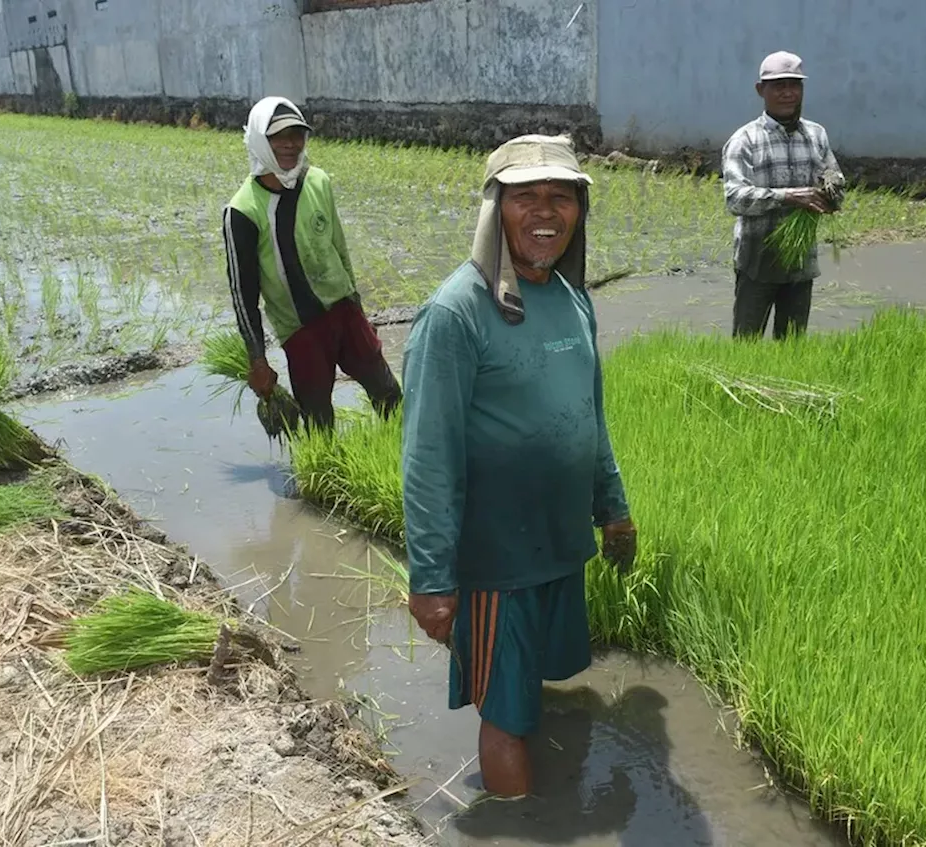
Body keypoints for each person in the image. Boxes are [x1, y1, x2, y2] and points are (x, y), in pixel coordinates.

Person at [399, 134, 638, 799]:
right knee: (504, 717)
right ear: (494, 211)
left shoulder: (571, 299)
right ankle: (518, 821)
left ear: (579, 210)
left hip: (559, 547)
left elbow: (589, 419)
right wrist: (432, 579)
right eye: (525, 196)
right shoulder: (455, 314)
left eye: (561, 196)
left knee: (531, 688)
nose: (545, 212)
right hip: (495, 563)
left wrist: (613, 508)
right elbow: (427, 457)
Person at [221, 96, 402, 434]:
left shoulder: (318, 181)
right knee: (318, 420)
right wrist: (257, 359)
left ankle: (411, 463)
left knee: (390, 395)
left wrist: (360, 310)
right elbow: (243, 295)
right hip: (301, 328)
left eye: (297, 134)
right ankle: (324, 481)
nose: (290, 144)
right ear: (260, 140)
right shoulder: (242, 211)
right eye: (278, 136)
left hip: (345, 313)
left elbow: (339, 248)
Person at [722, 51, 845, 340]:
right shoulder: (745, 140)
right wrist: (787, 196)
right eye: (779, 86)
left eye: (795, 85)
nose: (788, 93)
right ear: (760, 90)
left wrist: (830, 193)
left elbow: (836, 181)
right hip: (757, 261)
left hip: (801, 263)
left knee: (792, 346)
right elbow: (735, 198)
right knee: (746, 344)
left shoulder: (816, 135)